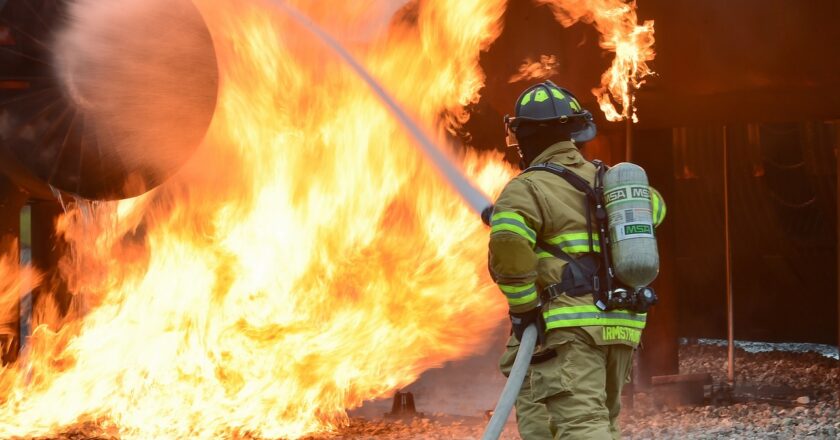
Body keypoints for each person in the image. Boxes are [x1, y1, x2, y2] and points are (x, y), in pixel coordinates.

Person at [488, 80, 661, 439]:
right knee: (600, 423)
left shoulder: (527, 187)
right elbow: (654, 208)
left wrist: (523, 311)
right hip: (621, 326)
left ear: (524, 137)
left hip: (571, 329)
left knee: (582, 428)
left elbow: (509, 251)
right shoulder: (607, 182)